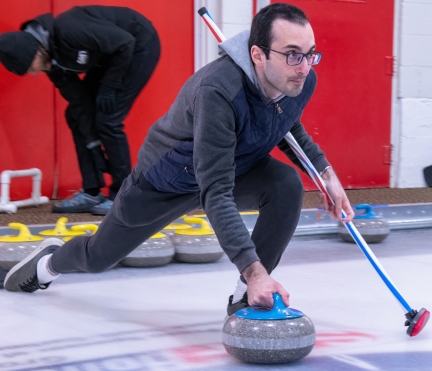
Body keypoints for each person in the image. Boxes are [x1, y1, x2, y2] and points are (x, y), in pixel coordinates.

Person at [3, 3, 354, 313]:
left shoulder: (300, 80)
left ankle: (246, 295)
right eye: (293, 53)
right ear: (258, 55)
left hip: (234, 166)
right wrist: (254, 268)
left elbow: (288, 124)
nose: (305, 66)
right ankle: (47, 265)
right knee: (98, 257)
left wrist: (326, 173)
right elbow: (214, 190)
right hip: (166, 180)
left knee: (285, 184)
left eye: (311, 53)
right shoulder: (218, 90)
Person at [0, 6, 161, 215]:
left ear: (37, 51)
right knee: (75, 115)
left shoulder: (70, 30)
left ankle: (123, 195)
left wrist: (110, 86)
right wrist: (95, 149)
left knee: (108, 119)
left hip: (138, 45)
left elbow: (125, 43)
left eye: (30, 67)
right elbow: (80, 104)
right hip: (111, 57)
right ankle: (91, 190)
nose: (33, 73)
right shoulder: (53, 66)